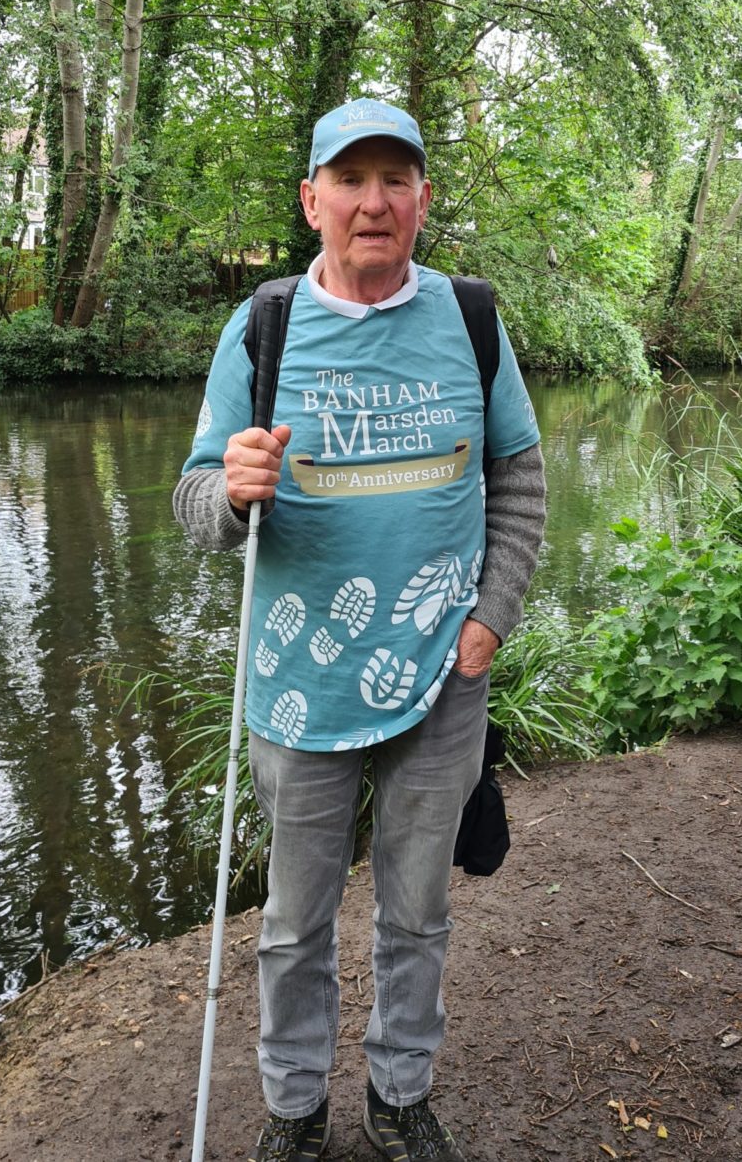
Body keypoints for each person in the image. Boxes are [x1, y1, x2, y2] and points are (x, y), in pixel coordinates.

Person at [173, 97, 546, 1162]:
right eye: (349, 179)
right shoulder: (263, 328)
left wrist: (489, 617)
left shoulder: (470, 317)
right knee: (291, 925)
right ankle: (293, 1108)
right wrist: (230, 493)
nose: (372, 201)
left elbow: (517, 474)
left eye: (395, 179)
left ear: (422, 201)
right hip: (299, 684)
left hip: (444, 677)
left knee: (416, 915)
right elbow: (196, 506)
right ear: (311, 200)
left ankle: (397, 1094)